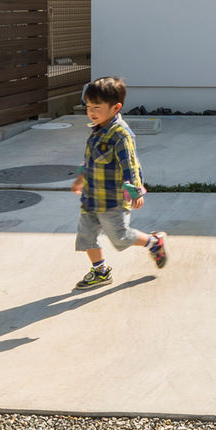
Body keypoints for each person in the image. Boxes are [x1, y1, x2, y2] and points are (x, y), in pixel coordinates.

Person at [70, 76, 167, 290]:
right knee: (86, 236)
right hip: (91, 197)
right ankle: (100, 271)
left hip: (112, 200)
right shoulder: (97, 129)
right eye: (88, 106)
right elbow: (90, 160)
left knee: (120, 237)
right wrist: (80, 178)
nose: (91, 112)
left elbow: (130, 166)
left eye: (97, 107)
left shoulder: (120, 135)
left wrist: (135, 192)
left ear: (116, 107)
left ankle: (154, 242)